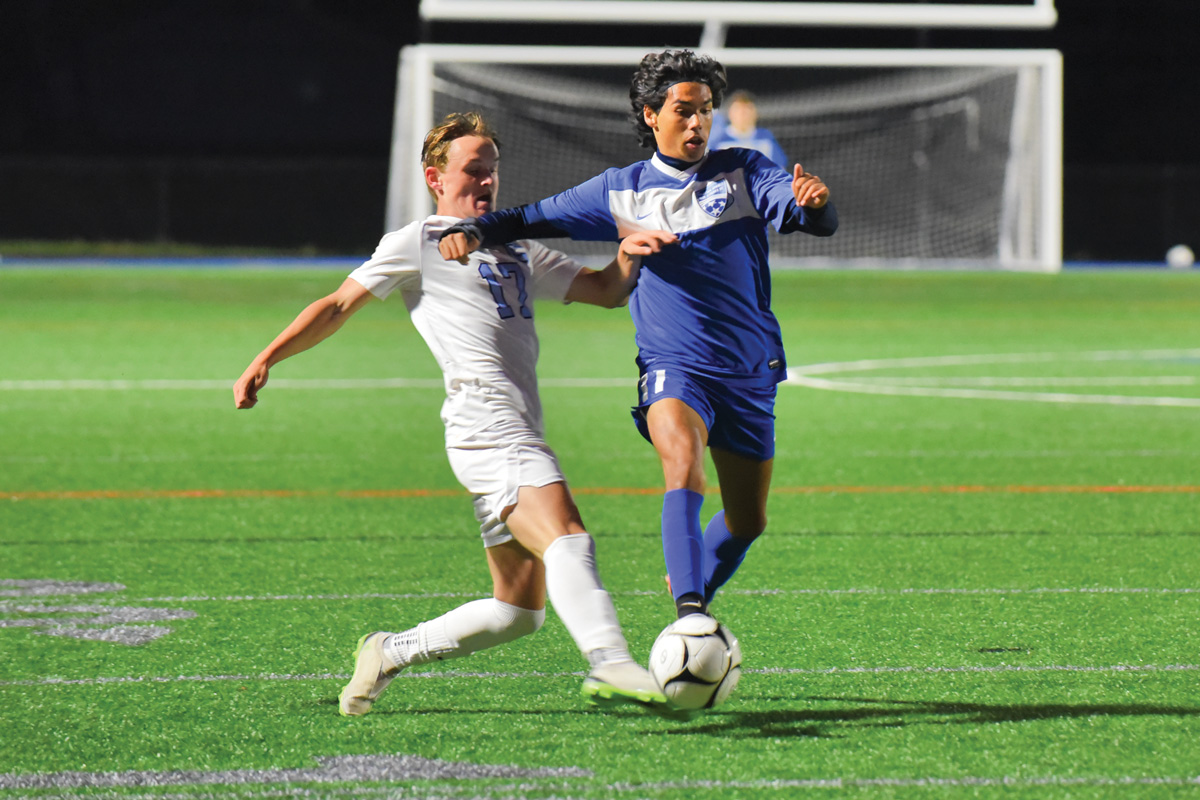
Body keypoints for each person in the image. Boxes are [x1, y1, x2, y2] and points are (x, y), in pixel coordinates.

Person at [233, 111, 679, 718]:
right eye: (473, 170)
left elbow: (603, 291)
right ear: (435, 178)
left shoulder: (513, 244)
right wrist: (267, 358)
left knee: (517, 611)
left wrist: (627, 256)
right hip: (487, 424)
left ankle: (389, 650)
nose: (487, 181)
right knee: (567, 535)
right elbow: (338, 304)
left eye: (492, 170)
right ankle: (611, 661)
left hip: (512, 427)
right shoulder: (417, 241)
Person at [438, 50, 838, 627]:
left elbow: (804, 213)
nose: (698, 122)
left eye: (706, 110)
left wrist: (814, 205)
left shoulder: (744, 171)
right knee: (683, 466)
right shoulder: (619, 190)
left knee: (747, 521)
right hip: (674, 366)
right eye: (684, 110)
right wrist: (472, 228)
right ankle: (689, 614)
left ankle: (693, 587)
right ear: (651, 115)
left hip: (749, 370)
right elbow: (526, 217)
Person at [707, 90, 789, 169]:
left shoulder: (765, 138)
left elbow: (780, 167)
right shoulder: (718, 140)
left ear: (755, 113)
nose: (742, 114)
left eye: (747, 110)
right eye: (738, 110)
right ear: (730, 113)